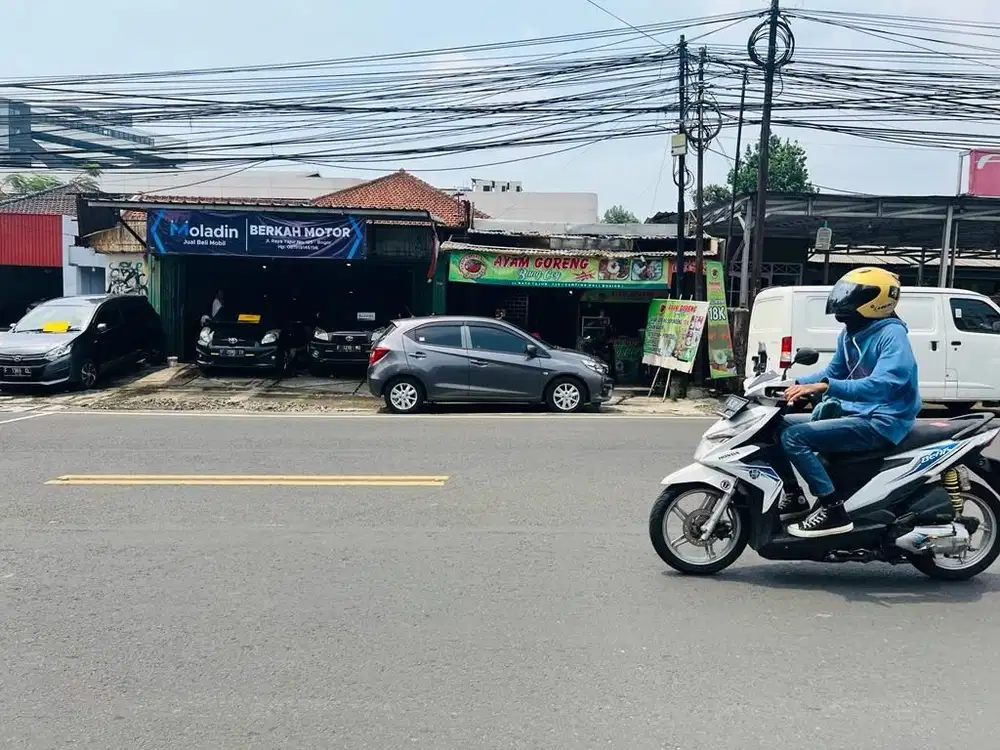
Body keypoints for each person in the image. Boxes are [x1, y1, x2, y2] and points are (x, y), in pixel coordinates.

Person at [776, 267, 921, 539]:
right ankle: (794, 494)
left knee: (795, 437)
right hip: (857, 414)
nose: (843, 302)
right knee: (777, 426)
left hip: (883, 420)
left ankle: (832, 510)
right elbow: (832, 373)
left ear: (877, 300)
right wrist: (790, 384)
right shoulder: (849, 334)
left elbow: (885, 384)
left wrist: (827, 386)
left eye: (852, 296)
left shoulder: (892, 336)